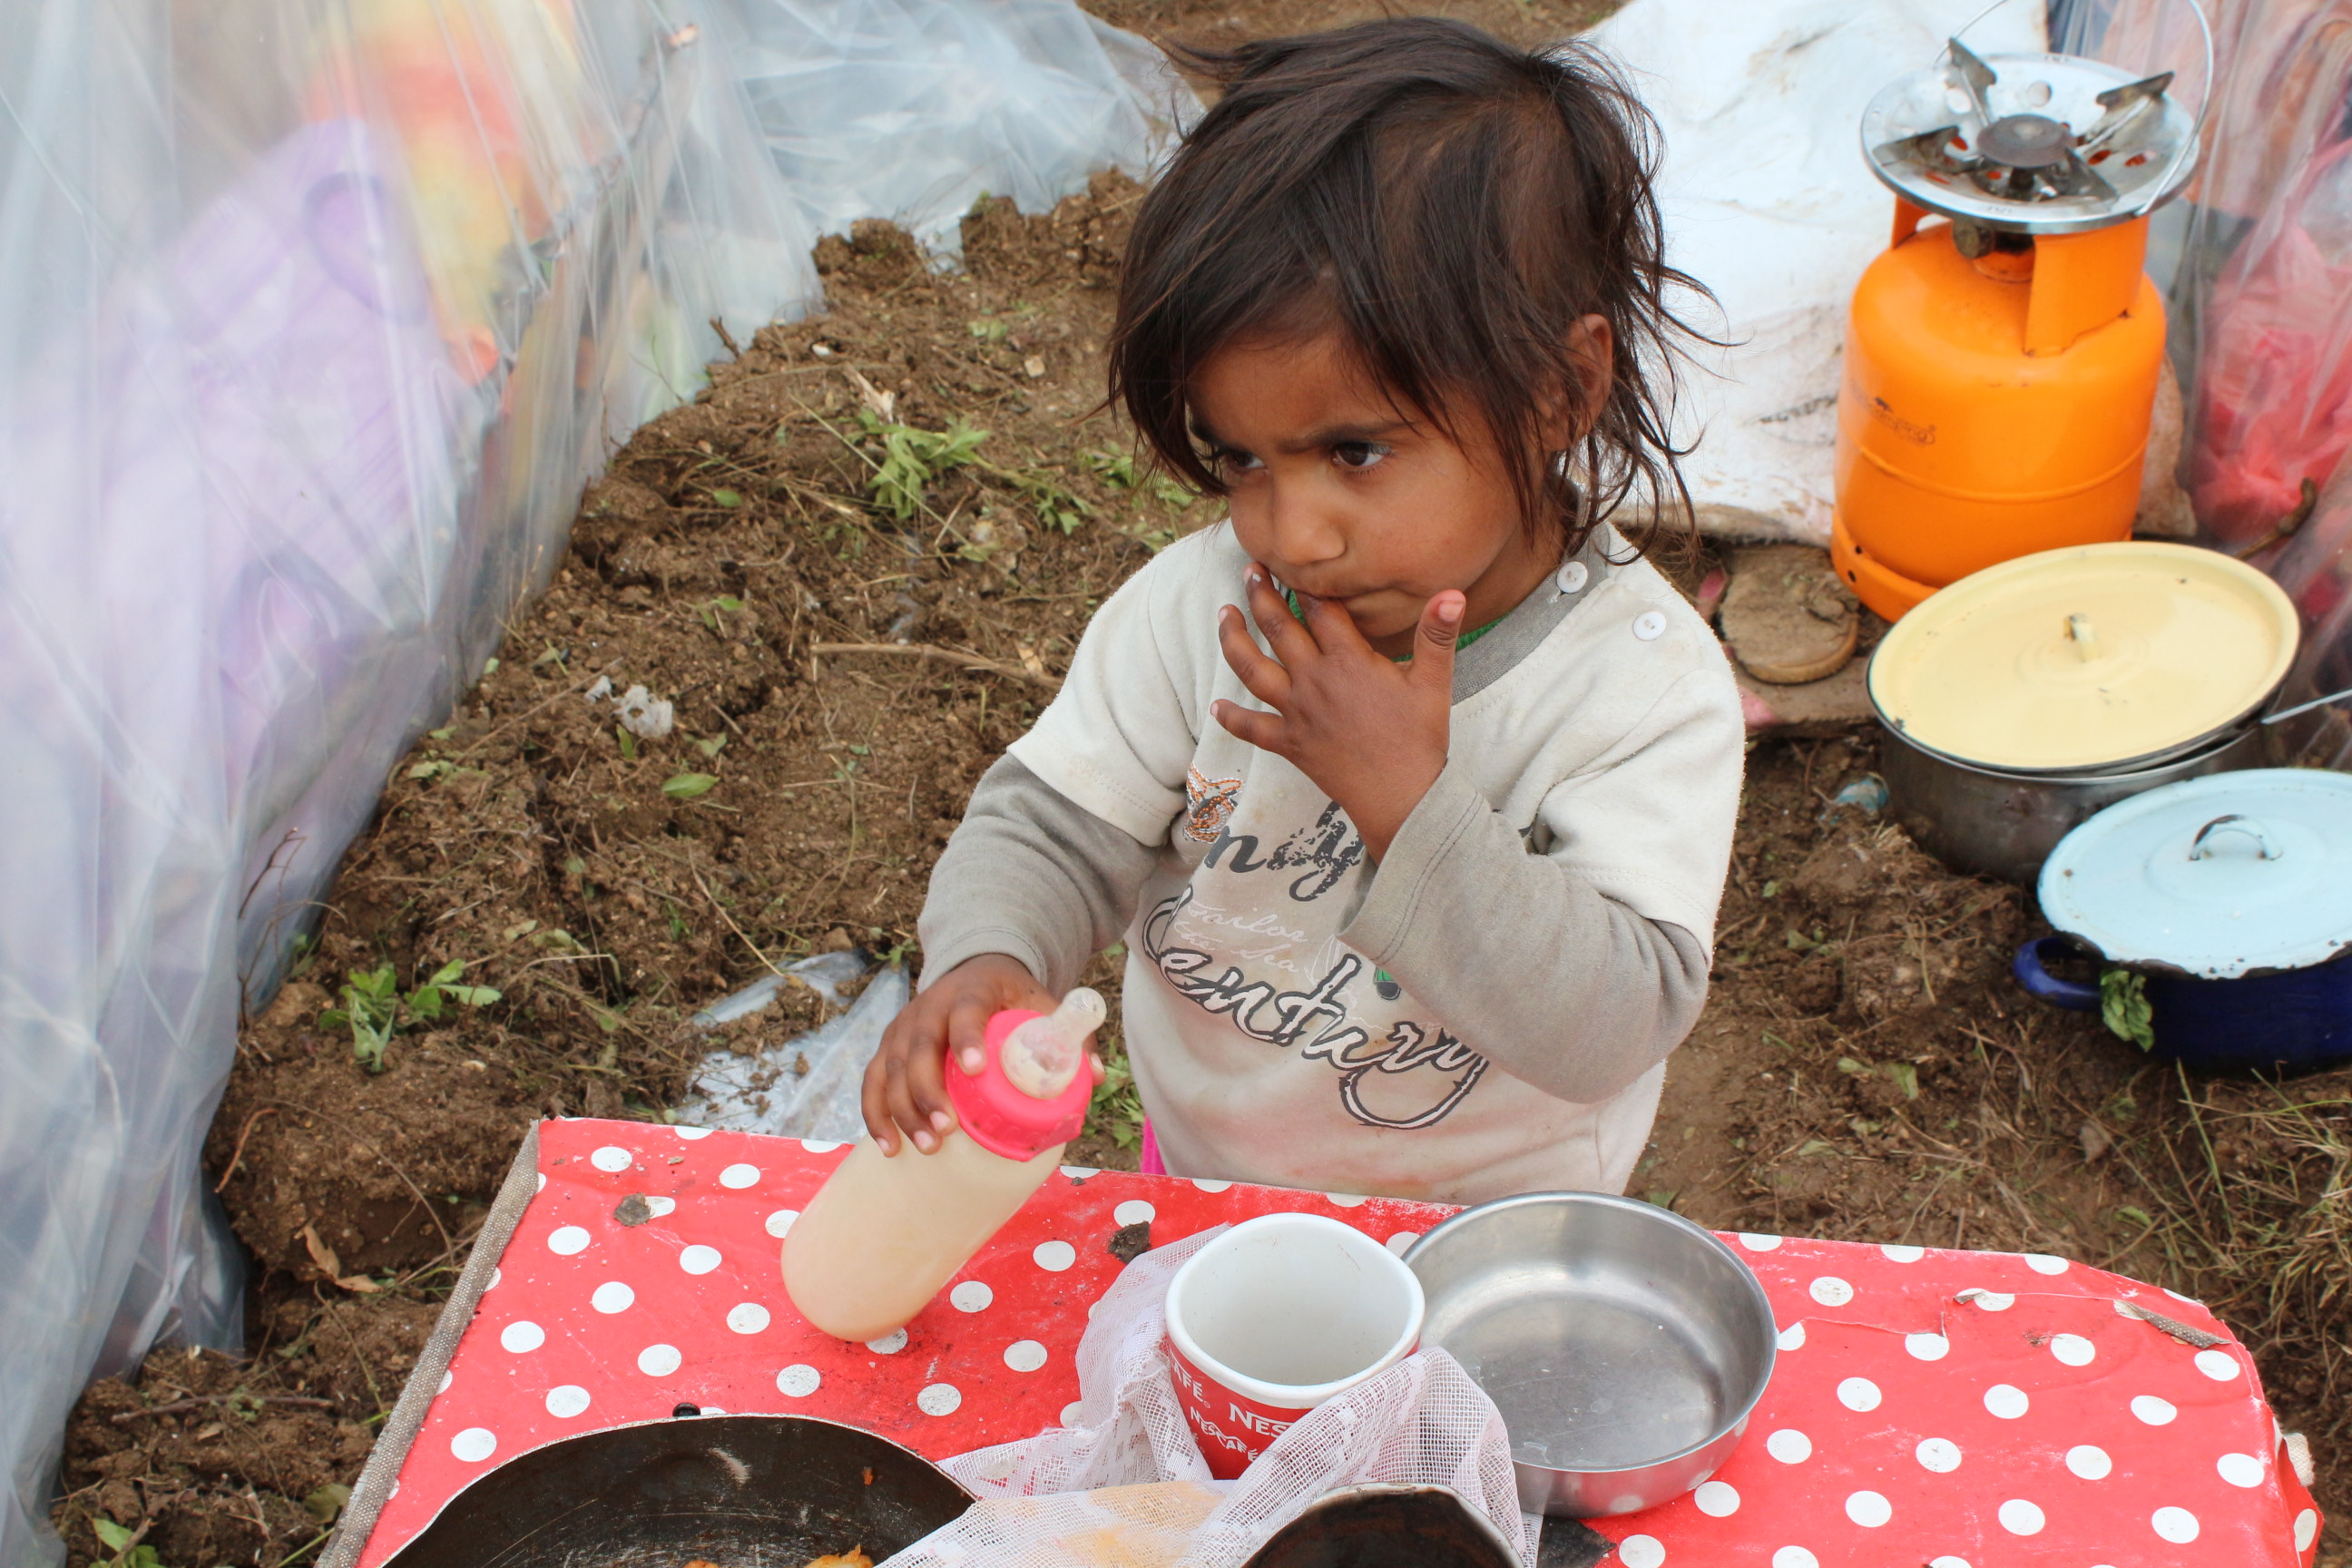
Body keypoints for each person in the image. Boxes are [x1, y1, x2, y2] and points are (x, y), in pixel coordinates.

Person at [859, 16, 1742, 1204]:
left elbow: (1612, 1026)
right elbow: (1056, 824)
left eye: (1354, 452)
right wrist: (987, 957)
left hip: (1489, 1222)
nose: (1289, 534)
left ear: (1559, 389)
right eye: (1243, 459)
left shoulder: (1636, 690)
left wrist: (1406, 802)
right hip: (1209, 1177)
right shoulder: (1205, 612)